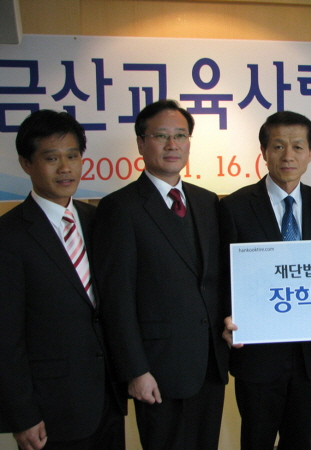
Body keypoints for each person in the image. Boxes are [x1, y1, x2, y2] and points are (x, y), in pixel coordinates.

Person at [93, 99, 229, 450]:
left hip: (209, 364)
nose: (172, 145)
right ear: (141, 143)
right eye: (161, 136)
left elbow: (215, 280)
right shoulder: (119, 208)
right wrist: (135, 370)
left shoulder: (207, 201)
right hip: (158, 370)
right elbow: (116, 300)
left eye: (180, 136)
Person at [220, 111, 311, 450]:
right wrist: (225, 319)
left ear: (310, 153)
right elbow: (223, 275)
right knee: (256, 440)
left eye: (298, 146)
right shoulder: (235, 207)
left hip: (309, 356)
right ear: (264, 151)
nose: (288, 156)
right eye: (278, 146)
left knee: (299, 440)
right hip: (257, 355)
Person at [0, 110, 126, 450]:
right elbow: (6, 338)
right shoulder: (8, 235)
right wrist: (22, 415)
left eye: (73, 156)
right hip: (51, 409)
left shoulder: (99, 220)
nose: (65, 168)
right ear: (26, 163)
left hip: (108, 400)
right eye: (51, 158)